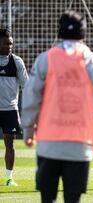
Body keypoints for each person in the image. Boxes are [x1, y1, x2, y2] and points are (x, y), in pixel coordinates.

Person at [21, 10, 93, 203]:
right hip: (81, 144)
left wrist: (28, 130)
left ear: (60, 32)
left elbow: (31, 98)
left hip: (48, 142)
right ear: (84, 33)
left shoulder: (45, 59)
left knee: (47, 198)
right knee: (73, 199)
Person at [0, 28, 28, 186]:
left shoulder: (16, 62)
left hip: (10, 110)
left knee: (10, 144)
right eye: (5, 43)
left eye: (10, 43)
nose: (9, 46)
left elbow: (26, 85)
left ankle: (9, 178)